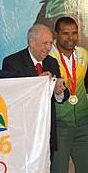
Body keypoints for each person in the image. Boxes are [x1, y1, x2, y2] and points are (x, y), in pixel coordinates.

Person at [2, 24, 69, 161]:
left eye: (51, 43)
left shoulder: (52, 62)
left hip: (46, 134)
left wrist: (58, 91)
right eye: (45, 43)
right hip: (22, 135)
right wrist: (36, 83)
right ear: (31, 41)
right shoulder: (12, 62)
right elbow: (11, 96)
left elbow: (63, 93)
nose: (49, 48)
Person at [49, 16, 88, 173]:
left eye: (74, 33)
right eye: (65, 33)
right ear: (56, 34)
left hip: (84, 124)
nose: (71, 38)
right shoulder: (49, 57)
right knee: (59, 170)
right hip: (60, 126)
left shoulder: (84, 54)